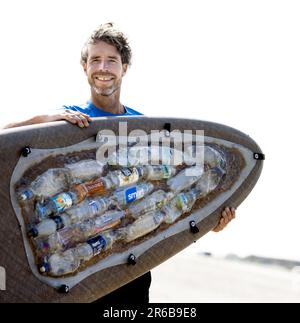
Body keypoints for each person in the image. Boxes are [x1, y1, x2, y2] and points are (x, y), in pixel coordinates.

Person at [2, 23, 235, 303]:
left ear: (124, 68)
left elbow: (169, 196)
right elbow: (7, 143)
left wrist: (211, 220)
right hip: (75, 273)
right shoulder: (70, 119)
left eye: (111, 60)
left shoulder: (144, 128)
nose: (103, 68)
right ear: (85, 67)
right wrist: (44, 120)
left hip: (128, 268)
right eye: (95, 60)